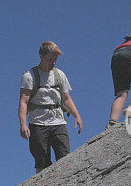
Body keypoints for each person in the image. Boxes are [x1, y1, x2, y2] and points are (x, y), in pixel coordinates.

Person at [19, 41, 83, 173]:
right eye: (50, 59)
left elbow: (66, 98)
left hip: (58, 122)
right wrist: (23, 124)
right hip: (37, 124)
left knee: (65, 159)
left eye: (55, 59)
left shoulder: (60, 75)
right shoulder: (29, 76)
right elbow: (23, 102)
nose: (53, 62)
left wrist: (77, 116)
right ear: (41, 56)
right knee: (42, 164)